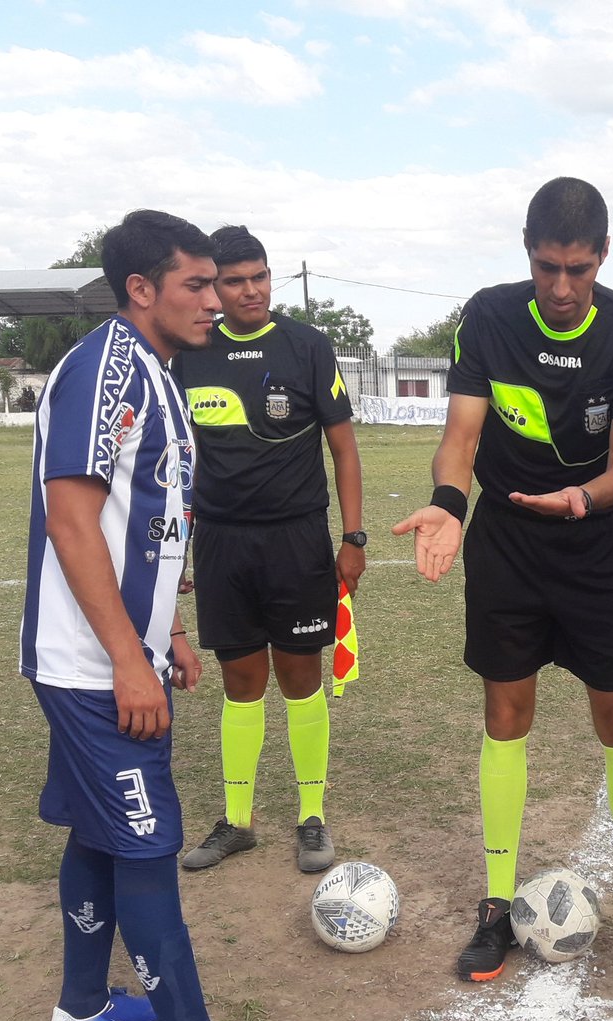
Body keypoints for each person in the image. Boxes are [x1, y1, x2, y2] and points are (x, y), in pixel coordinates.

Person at [20, 209, 290, 1021]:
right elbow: (70, 517)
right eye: (198, 285)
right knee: (146, 844)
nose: (217, 301)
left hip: (117, 654)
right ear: (143, 290)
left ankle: (84, 1005)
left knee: (99, 832)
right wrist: (125, 663)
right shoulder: (105, 367)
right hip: (90, 668)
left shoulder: (158, 374)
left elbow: (144, 528)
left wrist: (166, 631)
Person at [393, 177, 613, 993]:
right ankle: (494, 901)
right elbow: (460, 436)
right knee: (504, 711)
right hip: (507, 547)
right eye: (547, 266)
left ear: (602, 259)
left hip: (597, 547)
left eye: (578, 270)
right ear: (526, 250)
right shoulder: (487, 315)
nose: (561, 287)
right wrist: (450, 504)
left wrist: (579, 501)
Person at [174, 226, 364, 874]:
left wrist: (353, 538)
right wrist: (178, 547)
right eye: (235, 280)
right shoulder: (189, 354)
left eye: (259, 276)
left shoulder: (305, 346)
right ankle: (237, 822)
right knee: (241, 682)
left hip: (297, 540)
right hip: (222, 542)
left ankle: (312, 818)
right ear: (215, 287)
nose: (250, 290)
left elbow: (343, 447)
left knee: (300, 677)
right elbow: (174, 461)